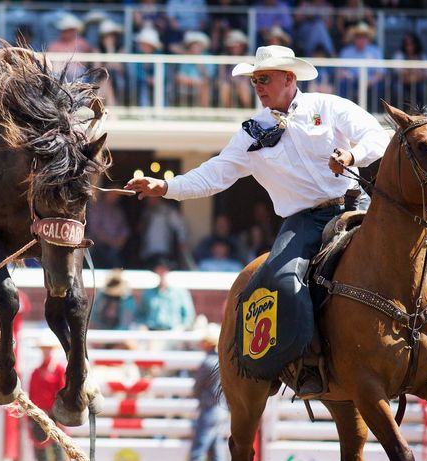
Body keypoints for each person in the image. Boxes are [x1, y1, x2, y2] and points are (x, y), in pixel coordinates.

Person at [126, 45, 389, 398]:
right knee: (280, 282)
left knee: (415, 247)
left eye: (264, 78)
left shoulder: (328, 106)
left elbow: (378, 136)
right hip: (304, 219)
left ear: (289, 78)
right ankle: (305, 363)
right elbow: (216, 173)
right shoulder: (252, 132)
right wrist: (167, 186)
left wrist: (353, 154)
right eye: (254, 80)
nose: (258, 86)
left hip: (356, 203)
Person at [187, 323, 228, 461]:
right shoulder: (222, 362)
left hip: (209, 410)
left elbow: (197, 387)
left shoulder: (207, 363)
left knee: (198, 450)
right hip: (222, 410)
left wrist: (197, 395)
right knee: (217, 450)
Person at [28, 333, 67, 461]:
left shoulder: (59, 370)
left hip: (54, 416)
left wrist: (61, 419)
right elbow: (31, 396)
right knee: (41, 454)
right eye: (44, 348)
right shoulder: (36, 372)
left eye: (48, 348)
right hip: (39, 416)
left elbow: (63, 394)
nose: (46, 351)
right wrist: (29, 419)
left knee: (58, 452)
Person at [136, 256, 195, 331]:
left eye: (164, 270)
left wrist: (181, 328)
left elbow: (189, 315)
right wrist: (143, 326)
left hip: (173, 332)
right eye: (159, 270)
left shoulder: (180, 292)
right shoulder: (148, 293)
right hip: (152, 332)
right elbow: (140, 314)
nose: (162, 274)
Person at [338, 21, 384, 112]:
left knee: (380, 86)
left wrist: (370, 80)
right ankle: (343, 111)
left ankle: (374, 113)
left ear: (368, 38)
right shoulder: (346, 51)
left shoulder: (375, 51)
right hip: (351, 80)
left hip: (370, 81)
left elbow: (380, 73)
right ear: (354, 38)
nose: (361, 39)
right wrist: (348, 75)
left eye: (364, 36)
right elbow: (339, 71)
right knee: (342, 83)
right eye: (358, 36)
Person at [86, 190, 130, 269]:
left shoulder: (118, 211)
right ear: (106, 192)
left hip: (115, 250)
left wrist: (120, 240)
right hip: (97, 248)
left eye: (117, 194)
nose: (115, 196)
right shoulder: (97, 208)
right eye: (113, 193)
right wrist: (111, 241)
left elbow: (124, 229)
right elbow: (95, 230)